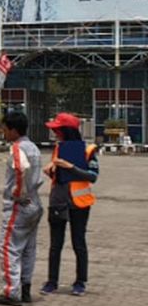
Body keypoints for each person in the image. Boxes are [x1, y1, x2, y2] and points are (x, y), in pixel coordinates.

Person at [42, 112, 99, 296]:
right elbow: (58, 177)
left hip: (79, 204)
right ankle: (52, 281)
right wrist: (51, 170)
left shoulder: (88, 150)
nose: (56, 133)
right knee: (55, 245)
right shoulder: (59, 149)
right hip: (58, 201)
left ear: (67, 130)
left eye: (58, 130)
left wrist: (70, 167)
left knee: (79, 243)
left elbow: (93, 176)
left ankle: (80, 281)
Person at [0, 109, 43, 306]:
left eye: (5, 130)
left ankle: (11, 292)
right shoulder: (34, 148)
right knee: (28, 248)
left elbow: (21, 170)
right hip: (35, 202)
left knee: (7, 248)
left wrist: (17, 193)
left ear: (13, 130)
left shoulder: (17, 149)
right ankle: (25, 287)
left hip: (20, 205)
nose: (3, 133)